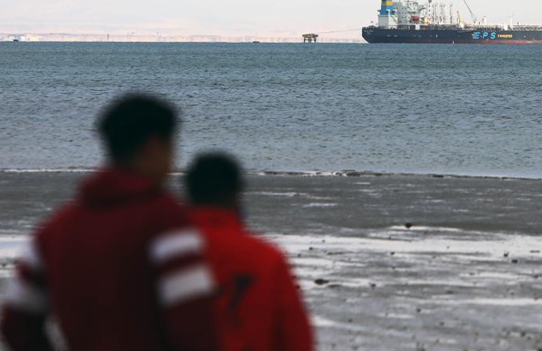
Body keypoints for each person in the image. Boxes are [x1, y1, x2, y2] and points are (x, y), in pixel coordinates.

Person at [1, 94, 221, 351]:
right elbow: (195, 327)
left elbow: (17, 323)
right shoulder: (166, 221)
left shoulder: (57, 227)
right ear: (154, 146)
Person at [185, 153, 314, 351]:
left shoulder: (164, 253)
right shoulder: (267, 259)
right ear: (235, 195)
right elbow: (297, 341)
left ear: (189, 196)